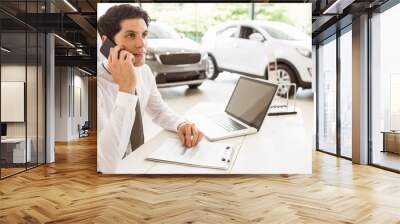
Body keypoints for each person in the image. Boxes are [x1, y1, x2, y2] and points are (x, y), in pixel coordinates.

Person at [97, 4, 203, 173]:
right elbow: (106, 163)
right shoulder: (96, 84)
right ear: (106, 42)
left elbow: (159, 111)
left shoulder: (144, 72)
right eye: (131, 35)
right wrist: (127, 89)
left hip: (139, 163)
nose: (142, 44)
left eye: (144, 35)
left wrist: (180, 124)